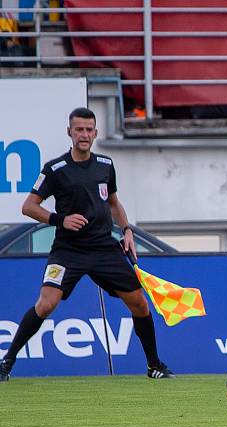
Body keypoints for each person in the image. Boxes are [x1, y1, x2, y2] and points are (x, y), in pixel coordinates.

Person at [0, 107, 175, 382]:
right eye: (79, 129)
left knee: (140, 304)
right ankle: (6, 363)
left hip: (105, 248)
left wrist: (127, 230)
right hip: (68, 251)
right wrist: (60, 219)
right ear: (69, 132)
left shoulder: (105, 165)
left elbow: (114, 203)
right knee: (46, 304)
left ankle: (154, 365)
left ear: (95, 133)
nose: (84, 134)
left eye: (89, 130)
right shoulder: (55, 169)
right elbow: (29, 207)